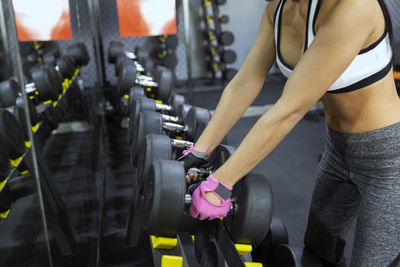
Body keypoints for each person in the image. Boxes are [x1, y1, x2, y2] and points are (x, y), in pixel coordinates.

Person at [179, 0, 400, 266]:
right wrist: (199, 152)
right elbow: (245, 82)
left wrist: (221, 183)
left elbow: (290, 110)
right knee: (318, 254)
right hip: (337, 151)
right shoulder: (278, 8)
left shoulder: (354, 6)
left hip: (387, 159)